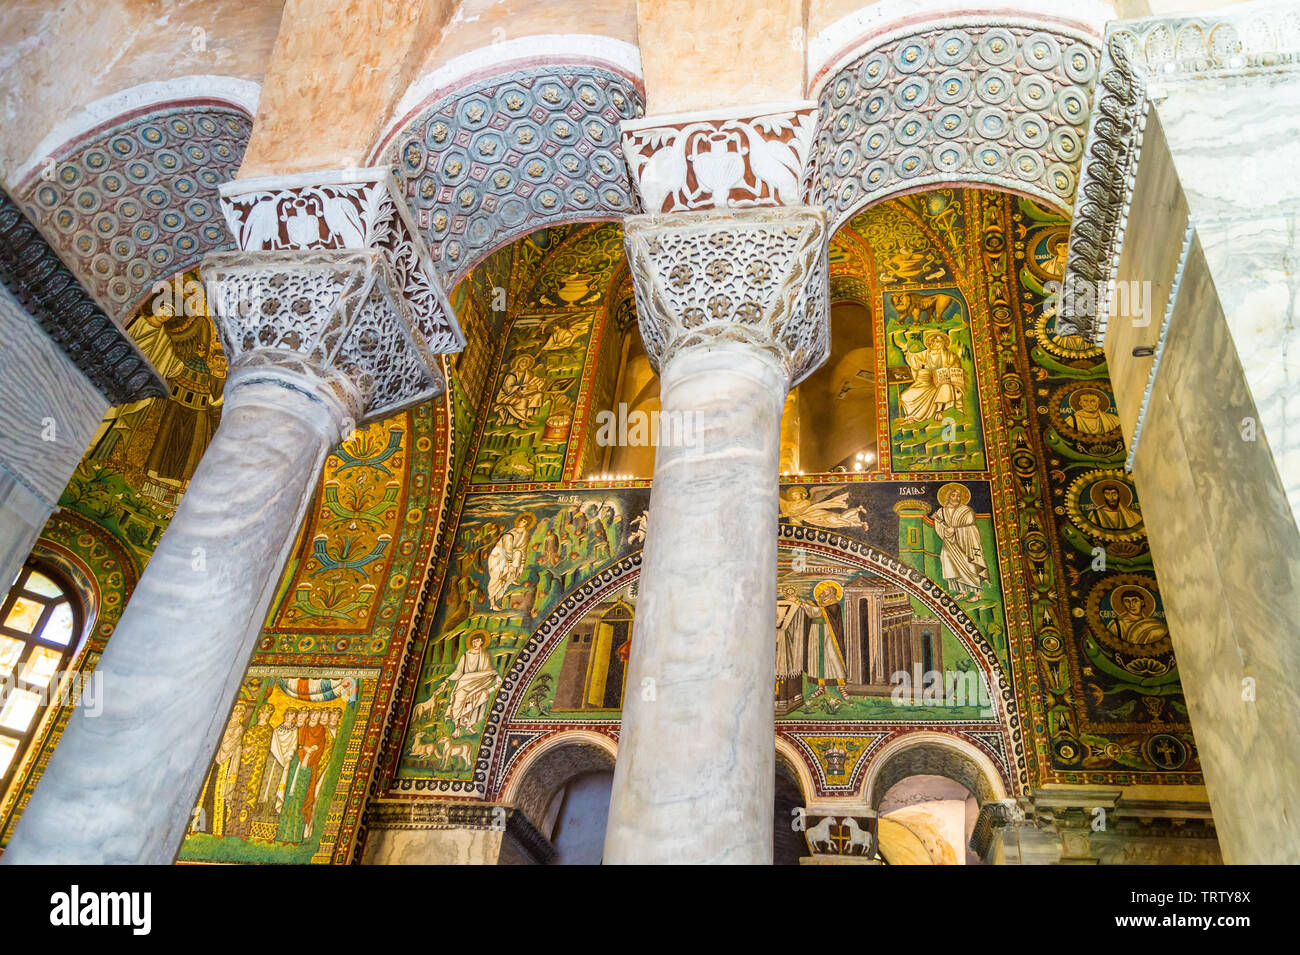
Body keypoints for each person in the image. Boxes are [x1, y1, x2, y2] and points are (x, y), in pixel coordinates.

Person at [932, 484, 989, 599]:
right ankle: (962, 592)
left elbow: (971, 527)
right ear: (948, 497)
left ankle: (977, 594)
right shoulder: (941, 511)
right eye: (953, 495)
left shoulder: (966, 511)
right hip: (949, 543)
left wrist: (955, 531)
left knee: (970, 567)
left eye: (958, 496)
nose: (956, 498)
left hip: (965, 544)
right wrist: (945, 532)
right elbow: (938, 526)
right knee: (952, 567)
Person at [441, 632, 503, 737]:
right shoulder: (465, 656)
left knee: (481, 698)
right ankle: (457, 728)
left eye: (478, 640)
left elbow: (489, 671)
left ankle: (469, 724)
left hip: (478, 684)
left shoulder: (485, 655)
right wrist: (446, 681)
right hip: (464, 684)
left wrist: (497, 677)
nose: (475, 643)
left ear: (482, 642)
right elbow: (458, 672)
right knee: (458, 704)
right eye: (474, 641)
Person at [898, 332, 964, 422]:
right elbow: (914, 360)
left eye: (937, 341)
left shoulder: (950, 356)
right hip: (925, 383)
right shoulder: (924, 354)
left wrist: (949, 369)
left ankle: (939, 411)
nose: (934, 343)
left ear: (943, 343)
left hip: (941, 383)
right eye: (932, 341)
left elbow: (956, 371)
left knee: (946, 387)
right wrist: (906, 350)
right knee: (905, 396)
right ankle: (912, 416)